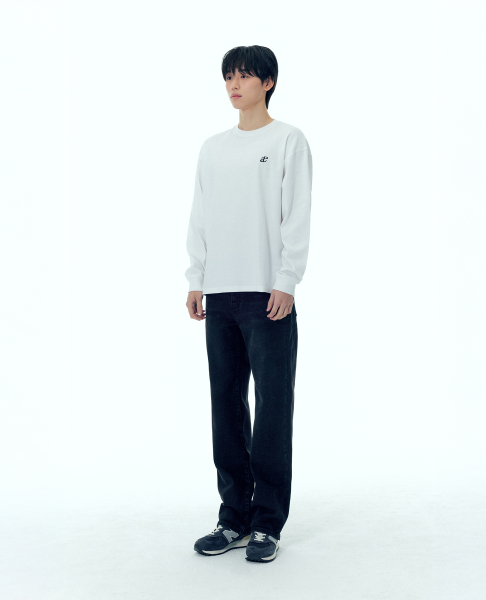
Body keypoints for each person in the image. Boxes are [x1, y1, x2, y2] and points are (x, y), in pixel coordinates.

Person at [185, 45, 313, 563]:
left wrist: (287, 280)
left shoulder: (288, 140)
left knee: (273, 409)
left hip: (267, 294)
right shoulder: (213, 148)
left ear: (269, 82)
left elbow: (297, 213)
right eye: (228, 77)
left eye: (244, 76)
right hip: (219, 294)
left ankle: (266, 524)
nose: (234, 85)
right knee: (226, 406)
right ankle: (232, 517)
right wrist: (196, 277)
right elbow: (200, 214)